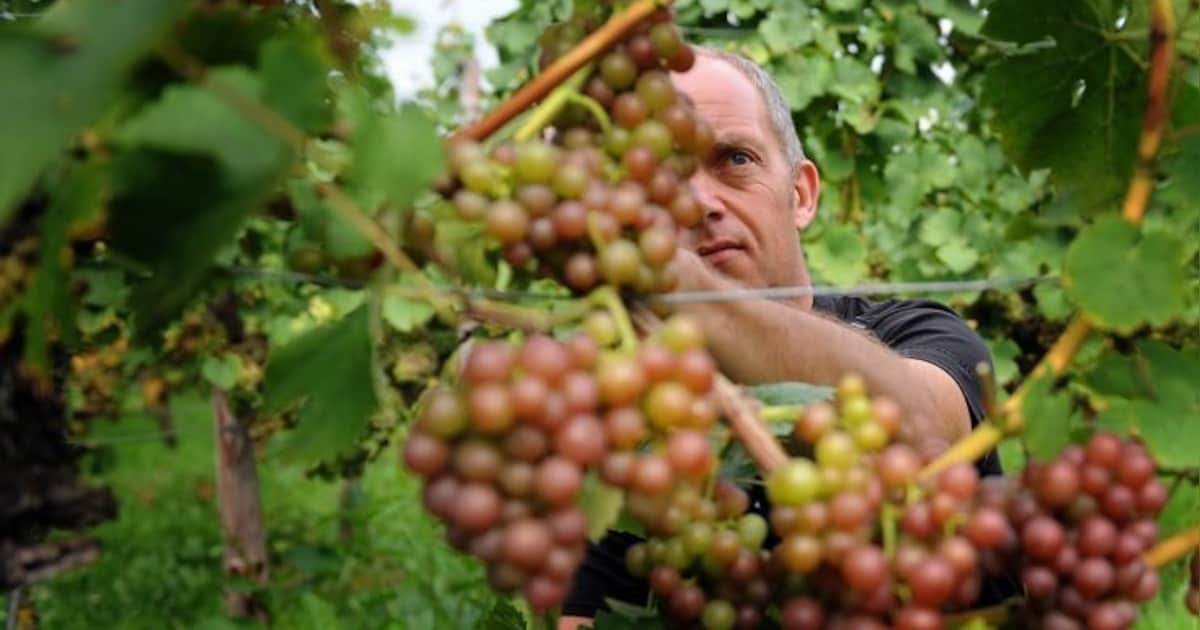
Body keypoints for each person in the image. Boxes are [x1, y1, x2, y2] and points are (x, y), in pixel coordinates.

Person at [557, 47, 1003, 628]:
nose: (698, 203)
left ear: (801, 195)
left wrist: (679, 285)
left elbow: (916, 429)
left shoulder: (921, 334)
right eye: (663, 178)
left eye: (735, 159)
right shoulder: (641, 431)